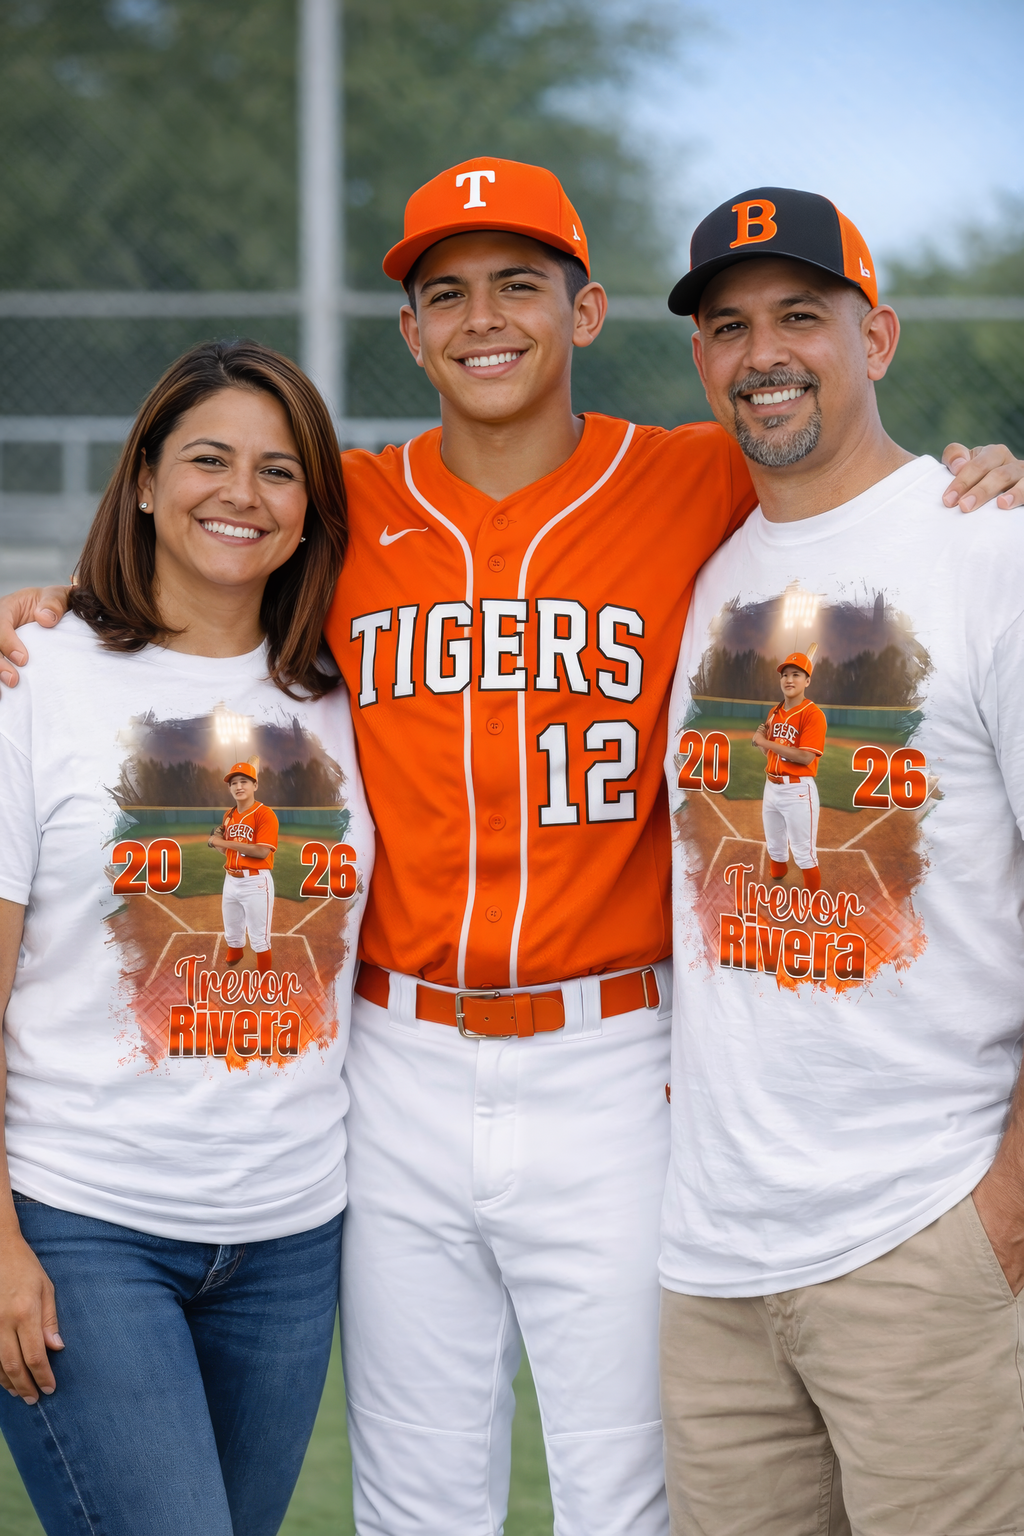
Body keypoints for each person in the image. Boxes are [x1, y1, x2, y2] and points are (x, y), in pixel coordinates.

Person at [1, 161, 1023, 1536]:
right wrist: (58, 612)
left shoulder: (696, 473)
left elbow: (849, 469)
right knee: (413, 1498)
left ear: (588, 310)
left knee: (626, 1496)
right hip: (393, 1067)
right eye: (446, 294)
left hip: (616, 1062)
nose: (485, 319)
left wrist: (980, 469)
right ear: (412, 333)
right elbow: (201, 569)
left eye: (521, 284)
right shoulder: (343, 508)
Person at [660, 187, 1024, 1535]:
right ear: (700, 359)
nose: (764, 351)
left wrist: (1005, 1215)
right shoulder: (704, 569)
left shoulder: (989, 548)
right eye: (730, 324)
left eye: (802, 316)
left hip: (923, 1231)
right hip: (711, 1257)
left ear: (878, 335)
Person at [0, 339, 373, 1536]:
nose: (241, 494)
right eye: (208, 458)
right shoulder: (35, 678)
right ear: (146, 481)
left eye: (278, 471)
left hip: (290, 1236)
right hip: (83, 1221)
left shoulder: (345, 696)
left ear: (311, 508)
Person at [754, 649, 827, 890]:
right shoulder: (774, 713)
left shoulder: (813, 715)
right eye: (785, 674)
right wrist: (763, 743)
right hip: (771, 787)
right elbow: (770, 752)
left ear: (807, 681)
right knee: (774, 843)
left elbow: (806, 757)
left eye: (796, 674)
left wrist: (764, 742)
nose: (789, 679)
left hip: (797, 790)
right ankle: (778, 872)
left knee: (803, 851)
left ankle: (814, 899)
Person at [210, 760, 280, 969]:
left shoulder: (265, 814)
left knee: (259, 933)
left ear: (255, 786)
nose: (238, 786)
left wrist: (221, 841)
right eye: (233, 783)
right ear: (229, 788)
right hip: (230, 879)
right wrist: (218, 841)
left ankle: (265, 973)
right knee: (231, 923)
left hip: (256, 881)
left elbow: (261, 851)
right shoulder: (229, 815)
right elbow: (225, 850)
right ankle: (235, 950)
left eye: (244, 781)